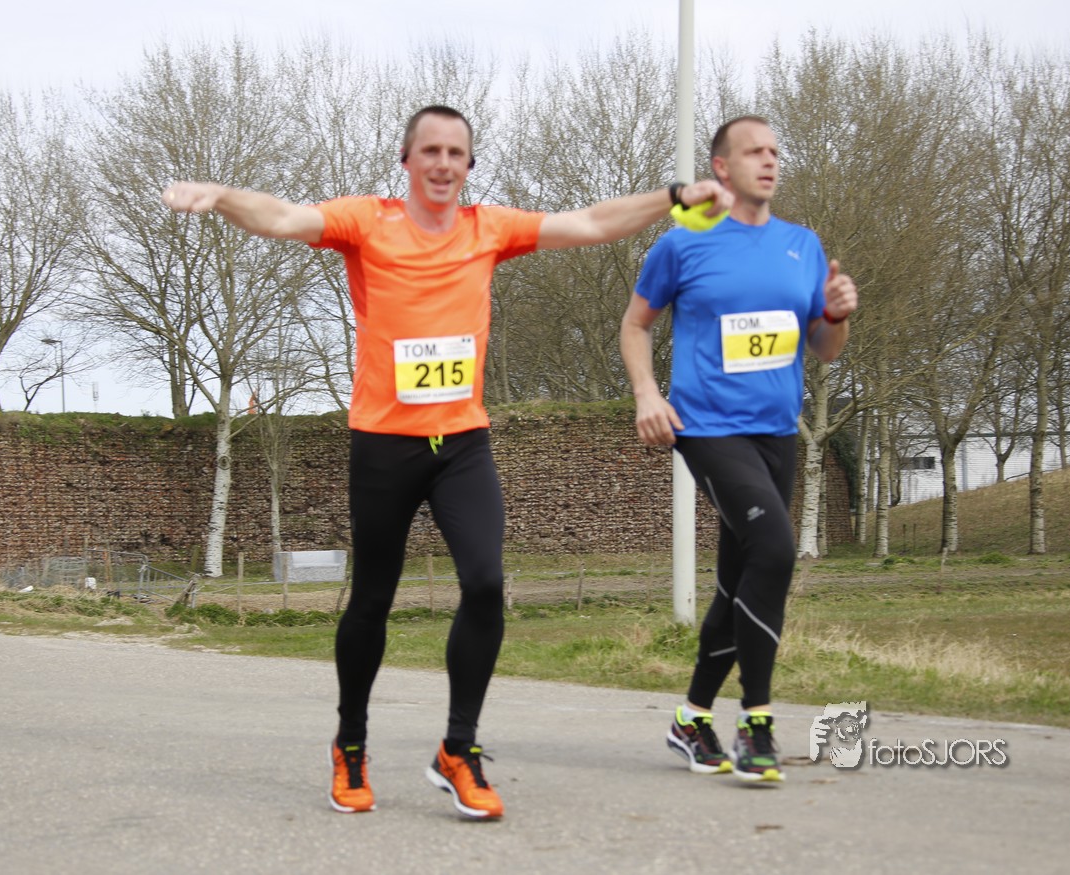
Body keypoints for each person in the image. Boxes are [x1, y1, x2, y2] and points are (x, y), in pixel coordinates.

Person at [163, 105, 732, 817]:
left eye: (455, 152)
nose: (442, 163)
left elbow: (588, 223)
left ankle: (458, 748)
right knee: (372, 599)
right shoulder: (365, 222)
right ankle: (350, 743)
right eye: (429, 150)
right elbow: (280, 217)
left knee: (486, 583)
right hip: (383, 444)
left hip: (461, 443)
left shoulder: (487, 229)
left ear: (468, 166)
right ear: (406, 160)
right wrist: (220, 196)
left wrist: (672, 198)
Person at [619, 115, 858, 783]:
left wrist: (837, 315)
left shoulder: (802, 245)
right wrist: (646, 394)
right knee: (775, 550)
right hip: (706, 428)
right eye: (755, 152)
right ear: (721, 168)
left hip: (776, 432)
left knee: (739, 576)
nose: (770, 161)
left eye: (775, 151)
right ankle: (756, 721)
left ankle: (692, 716)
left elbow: (824, 348)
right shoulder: (682, 244)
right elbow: (635, 324)